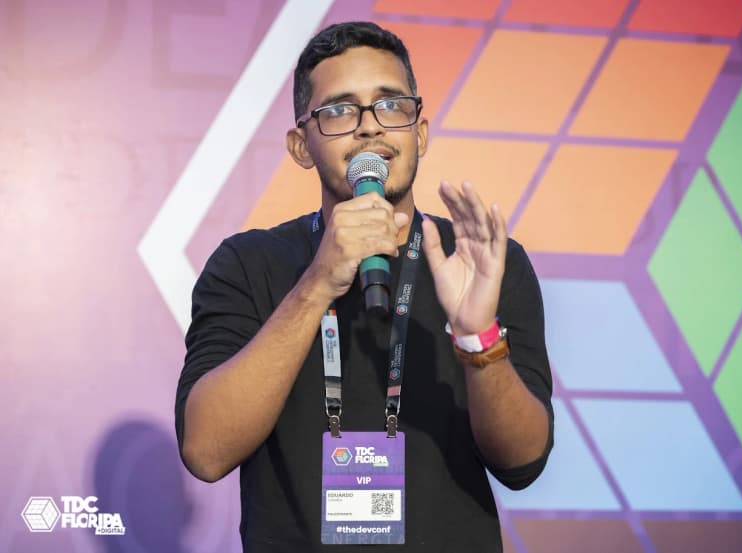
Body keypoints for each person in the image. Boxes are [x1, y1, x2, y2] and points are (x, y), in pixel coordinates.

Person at [175, 21, 554, 552]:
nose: (370, 127)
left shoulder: (481, 261)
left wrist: (476, 338)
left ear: (418, 132)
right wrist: (318, 283)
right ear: (300, 145)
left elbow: (524, 462)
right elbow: (206, 451)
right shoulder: (247, 264)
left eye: (391, 104)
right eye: (339, 111)